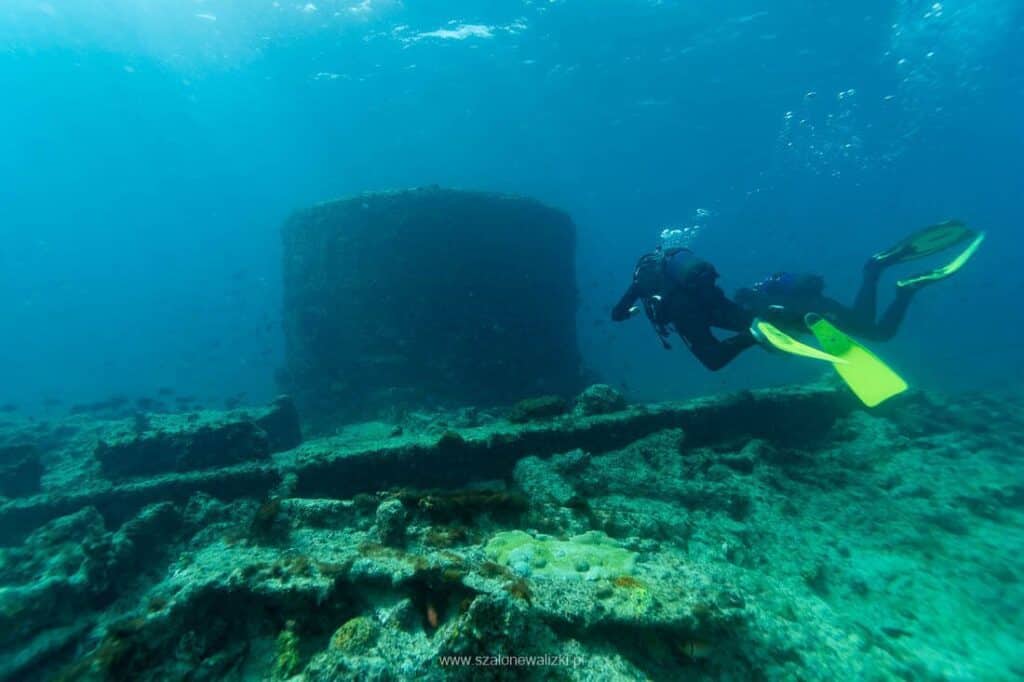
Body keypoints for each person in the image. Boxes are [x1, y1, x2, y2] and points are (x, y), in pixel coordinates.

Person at [611, 220, 984, 371]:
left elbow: (617, 313)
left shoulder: (652, 285)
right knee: (874, 332)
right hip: (745, 305)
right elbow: (722, 304)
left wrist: (749, 337)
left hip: (731, 312)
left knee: (714, 357)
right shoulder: (681, 272)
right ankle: (877, 273)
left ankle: (888, 282)